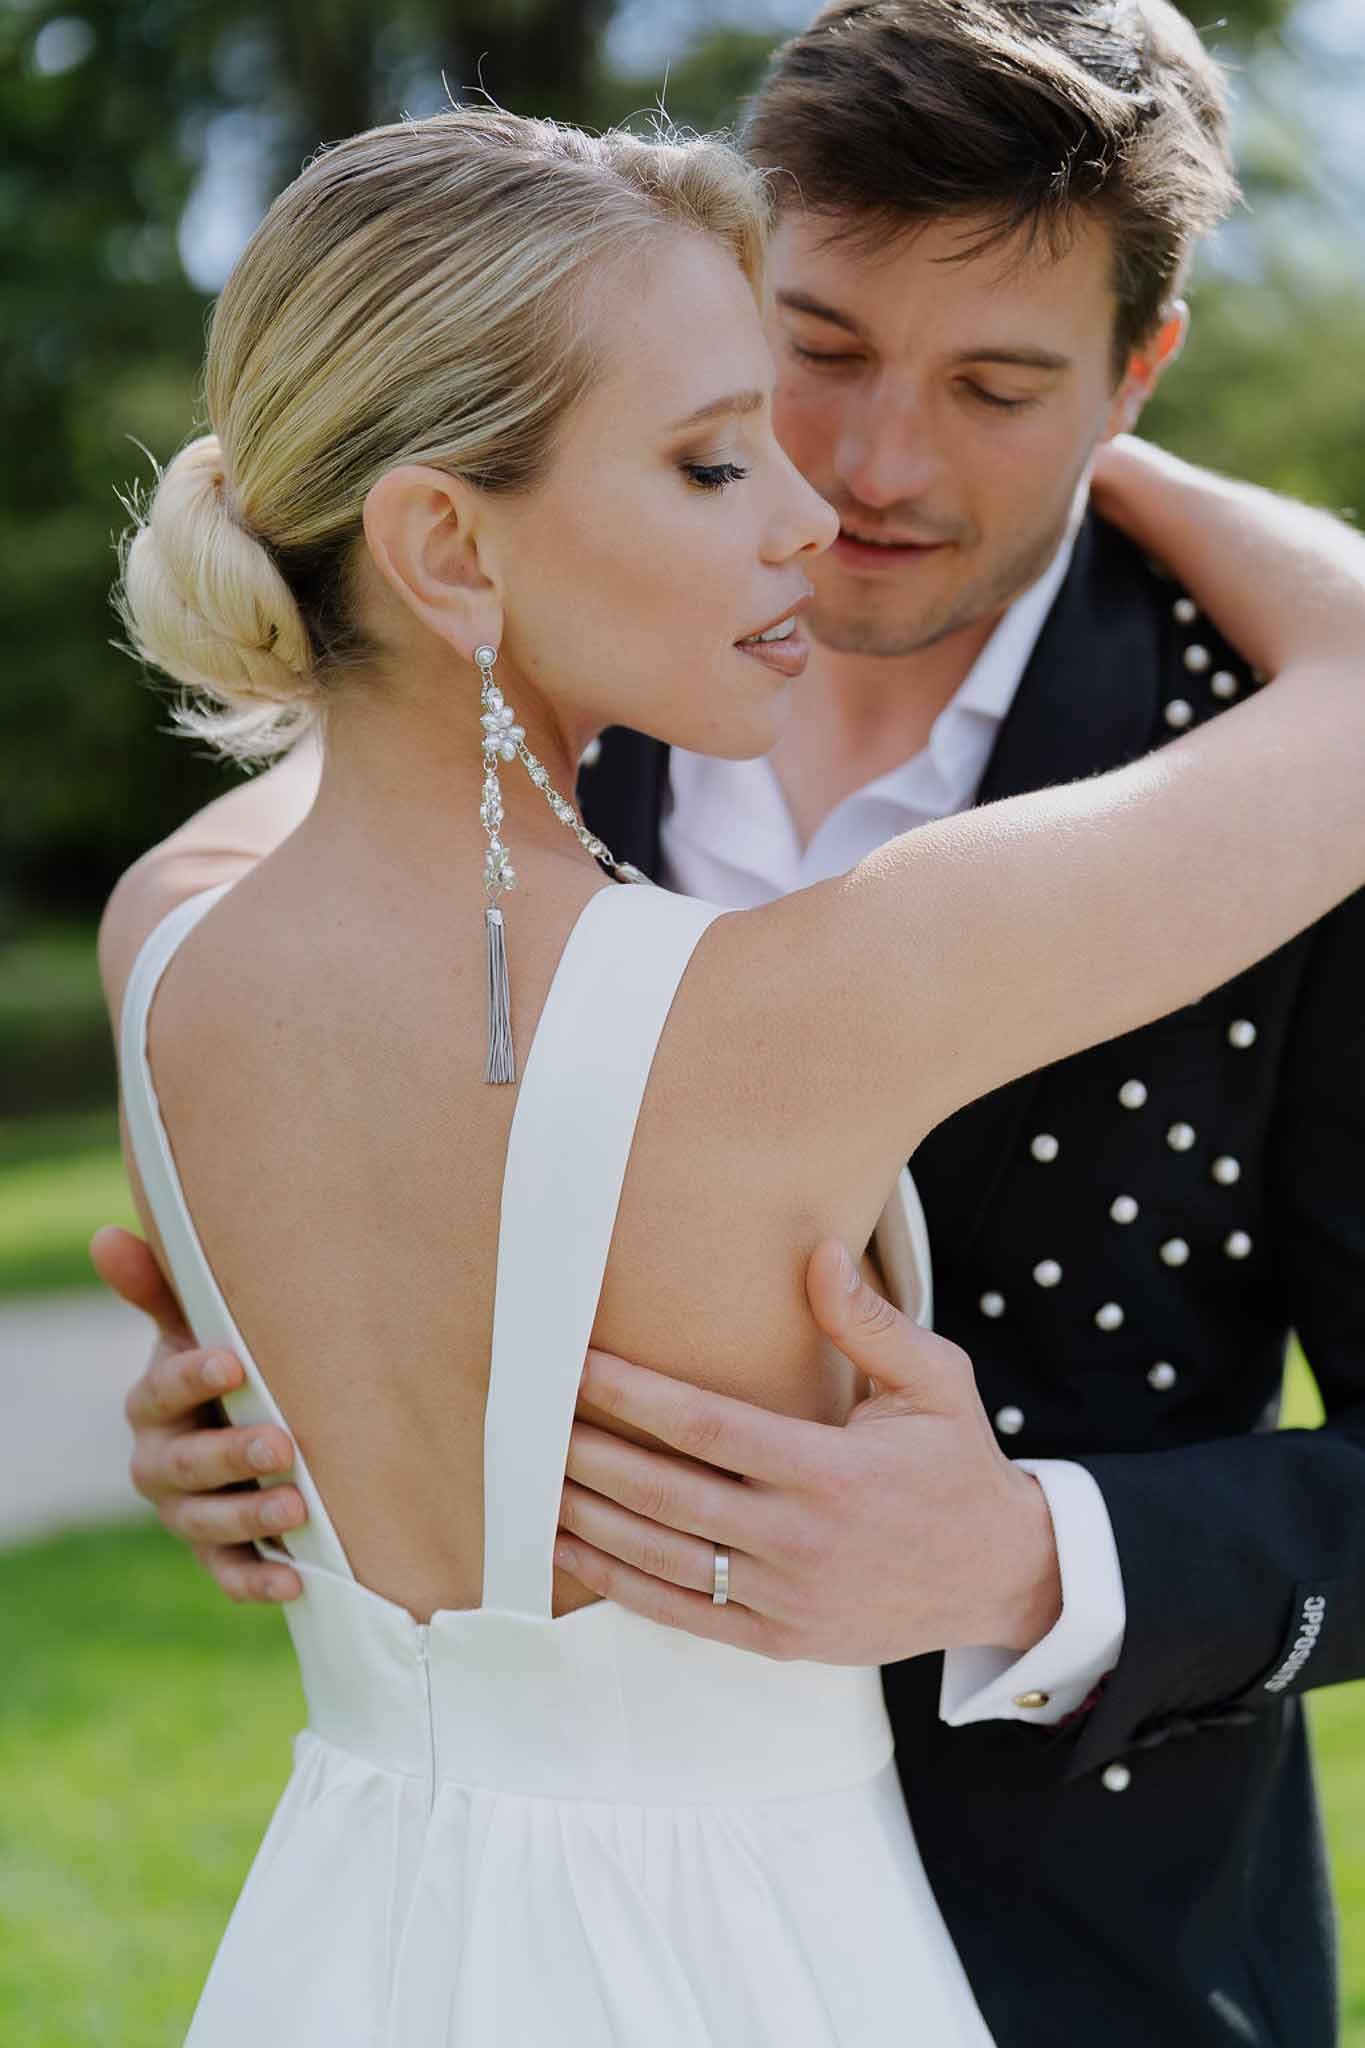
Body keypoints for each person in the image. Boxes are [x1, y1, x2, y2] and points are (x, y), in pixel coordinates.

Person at [97, 51, 1365, 2048]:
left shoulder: (172, 941)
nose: (839, 483)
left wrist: (1039, 1550)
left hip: (396, 1934)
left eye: (999, 382)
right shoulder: (815, 984)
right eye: (747, 420)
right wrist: (259, 1425)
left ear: (1133, 368)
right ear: (451, 538)